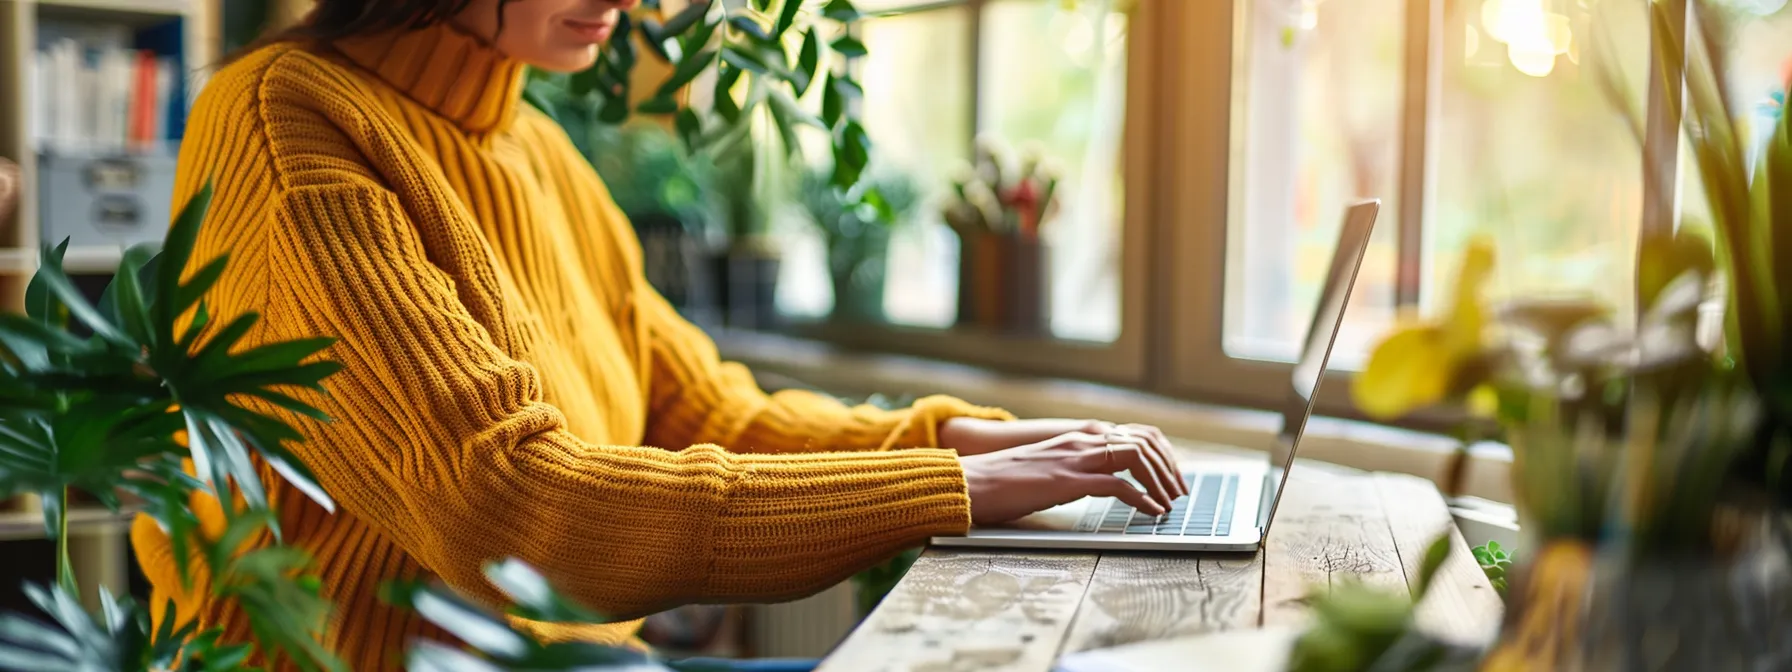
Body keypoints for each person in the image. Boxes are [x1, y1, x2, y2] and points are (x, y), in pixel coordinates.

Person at [130, 0, 1188, 669]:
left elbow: (706, 413)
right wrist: (943, 494)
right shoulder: (285, 120)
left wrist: (964, 443)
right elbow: (507, 504)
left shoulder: (538, 152)